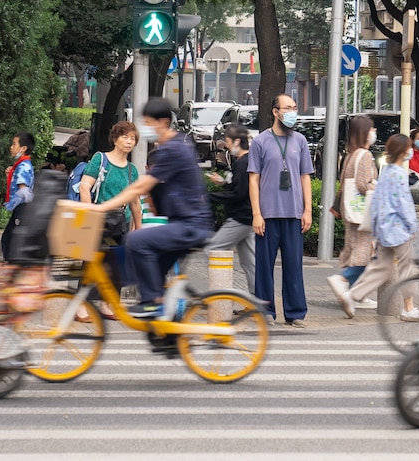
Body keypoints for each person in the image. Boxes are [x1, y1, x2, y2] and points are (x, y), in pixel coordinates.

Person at [94, 98, 213, 318]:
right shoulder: (173, 145)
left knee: (137, 240)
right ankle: (166, 332)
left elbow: (141, 186)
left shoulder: (173, 149)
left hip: (190, 225)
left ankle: (151, 303)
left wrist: (103, 208)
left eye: (150, 123)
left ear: (164, 121)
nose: (146, 129)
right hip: (184, 223)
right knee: (154, 270)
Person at [335, 134, 419, 321]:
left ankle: (352, 295)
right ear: (403, 151)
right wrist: (412, 225)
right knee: (407, 267)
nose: (411, 150)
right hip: (399, 229)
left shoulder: (386, 172)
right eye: (409, 147)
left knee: (380, 268)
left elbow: (377, 202)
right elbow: (403, 204)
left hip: (384, 229)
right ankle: (409, 307)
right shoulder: (399, 174)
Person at [248, 94, 314, 328]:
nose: (292, 112)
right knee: (264, 266)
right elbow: (253, 179)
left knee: (294, 264)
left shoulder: (301, 141)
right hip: (267, 213)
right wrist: (257, 213)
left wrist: (308, 210)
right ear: (275, 112)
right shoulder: (260, 142)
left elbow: (305, 177)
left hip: (294, 212)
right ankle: (265, 310)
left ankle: (295, 312)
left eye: (294, 107)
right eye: (287, 108)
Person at [75, 121, 142, 321]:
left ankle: (106, 305)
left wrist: (138, 228)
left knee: (117, 265)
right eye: (124, 137)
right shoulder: (100, 159)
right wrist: (90, 214)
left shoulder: (132, 170)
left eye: (132, 138)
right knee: (91, 263)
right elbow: (84, 187)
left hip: (120, 223)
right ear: (115, 139)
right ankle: (80, 308)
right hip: (99, 219)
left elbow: (135, 203)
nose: (129, 142)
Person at [326, 116, 378, 306]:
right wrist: (378, 187)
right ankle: (343, 280)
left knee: (357, 251)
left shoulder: (351, 155)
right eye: (372, 129)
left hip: (351, 211)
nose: (374, 133)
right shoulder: (364, 155)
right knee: (364, 254)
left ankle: (357, 294)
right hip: (362, 213)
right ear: (364, 132)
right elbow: (362, 185)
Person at [204, 124, 256, 294]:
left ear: (237, 141)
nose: (225, 145)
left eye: (227, 141)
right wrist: (223, 183)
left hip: (240, 218)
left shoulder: (242, 164)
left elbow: (238, 195)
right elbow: (239, 189)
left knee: (212, 250)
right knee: (250, 264)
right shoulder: (245, 162)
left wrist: (208, 197)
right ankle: (257, 303)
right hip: (248, 219)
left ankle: (222, 298)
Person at [1, 132, 35, 261]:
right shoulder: (22, 165)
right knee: (9, 238)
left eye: (14, 144)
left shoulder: (22, 166)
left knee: (11, 240)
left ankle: (12, 267)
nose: (11, 147)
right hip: (21, 209)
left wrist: (11, 204)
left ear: (23, 148)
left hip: (22, 209)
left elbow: (24, 191)